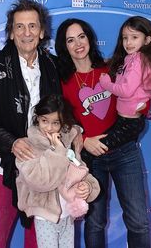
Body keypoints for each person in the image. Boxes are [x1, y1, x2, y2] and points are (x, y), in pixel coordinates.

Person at [55, 18, 151, 248]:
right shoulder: (62, 81)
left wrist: (144, 108)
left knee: (138, 222)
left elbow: (138, 95)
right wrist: (83, 140)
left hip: (124, 153)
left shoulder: (111, 68)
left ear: (89, 38)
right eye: (70, 40)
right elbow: (61, 122)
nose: (78, 44)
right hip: (90, 159)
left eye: (82, 36)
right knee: (95, 223)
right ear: (64, 46)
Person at [0, 0, 62, 248]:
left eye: (32, 26)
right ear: (11, 33)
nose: (26, 33)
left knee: (38, 240)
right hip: (5, 164)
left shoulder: (52, 65)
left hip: (42, 167)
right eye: (19, 26)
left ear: (42, 31)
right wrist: (12, 142)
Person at [15, 94, 100, 248]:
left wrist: (88, 187)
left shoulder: (68, 143)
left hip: (68, 215)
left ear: (62, 123)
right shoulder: (28, 146)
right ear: (37, 119)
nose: (49, 127)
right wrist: (58, 152)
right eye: (44, 121)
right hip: (45, 216)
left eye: (55, 123)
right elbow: (40, 181)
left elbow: (81, 171)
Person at [99, 16, 151, 149]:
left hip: (129, 122)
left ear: (147, 40)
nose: (128, 42)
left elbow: (126, 91)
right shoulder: (132, 58)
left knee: (97, 149)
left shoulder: (138, 60)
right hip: (126, 120)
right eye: (125, 37)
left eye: (134, 37)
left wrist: (106, 84)